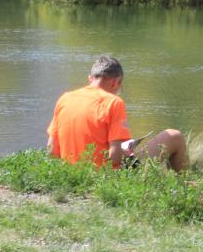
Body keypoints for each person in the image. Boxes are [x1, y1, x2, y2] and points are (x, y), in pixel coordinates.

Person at [46, 56, 188, 171]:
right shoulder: (114, 102)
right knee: (174, 136)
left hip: (70, 174)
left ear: (91, 78)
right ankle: (183, 187)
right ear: (116, 82)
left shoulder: (64, 98)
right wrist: (129, 150)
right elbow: (115, 157)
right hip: (107, 176)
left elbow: (51, 149)